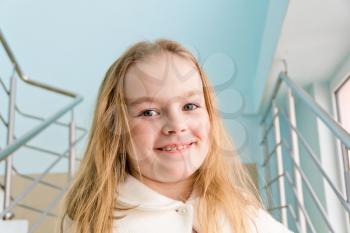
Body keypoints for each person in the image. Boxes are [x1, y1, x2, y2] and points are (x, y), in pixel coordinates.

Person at [60, 39, 293, 233]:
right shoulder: (95, 225)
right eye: (149, 112)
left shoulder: (242, 209)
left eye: (190, 106)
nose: (176, 125)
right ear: (115, 132)